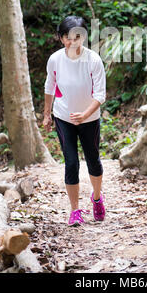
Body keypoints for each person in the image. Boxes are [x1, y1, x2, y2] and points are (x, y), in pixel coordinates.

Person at [43, 15, 106, 226]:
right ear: (61, 38)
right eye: (68, 37)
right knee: (71, 163)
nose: (72, 42)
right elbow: (49, 87)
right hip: (63, 117)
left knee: (93, 160)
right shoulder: (55, 60)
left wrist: (85, 115)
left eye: (77, 37)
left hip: (90, 118)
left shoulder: (93, 60)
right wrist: (46, 114)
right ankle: (75, 211)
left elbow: (100, 95)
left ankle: (96, 198)